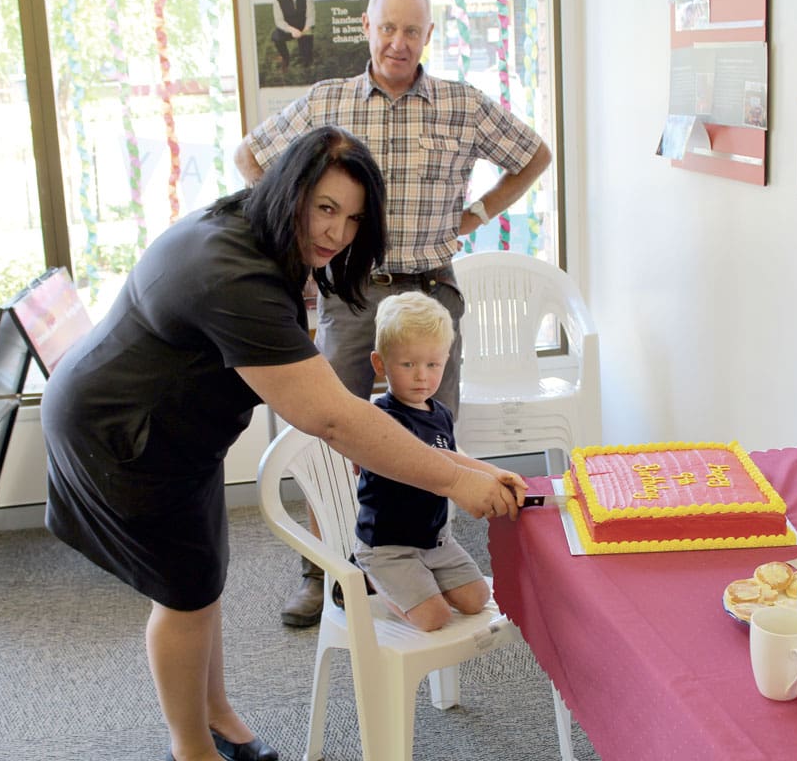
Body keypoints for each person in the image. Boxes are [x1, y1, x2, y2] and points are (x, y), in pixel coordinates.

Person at [41, 126, 524, 761]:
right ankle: (192, 750)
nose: (336, 233)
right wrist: (459, 481)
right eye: (325, 208)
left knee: (204, 580)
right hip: (122, 434)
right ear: (290, 190)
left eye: (353, 218)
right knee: (184, 596)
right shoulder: (232, 273)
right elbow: (332, 419)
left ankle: (217, 717)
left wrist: (465, 467)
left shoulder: (256, 228)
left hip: (175, 432)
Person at [235, 0, 552, 628]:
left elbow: (534, 155)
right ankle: (321, 571)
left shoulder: (462, 105)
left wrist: (480, 211)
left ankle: (425, 555)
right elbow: (250, 156)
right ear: (368, 29)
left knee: (428, 436)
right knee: (327, 433)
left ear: (429, 36)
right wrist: (301, 224)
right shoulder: (329, 102)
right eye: (387, 28)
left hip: (432, 294)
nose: (398, 43)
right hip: (356, 294)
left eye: (412, 30)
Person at [355, 292, 519, 631]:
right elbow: (433, 460)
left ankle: (418, 581)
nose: (421, 377)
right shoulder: (379, 419)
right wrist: (487, 474)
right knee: (434, 620)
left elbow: (454, 455)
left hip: (435, 540)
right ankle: (369, 578)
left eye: (433, 365)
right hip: (389, 545)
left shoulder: (440, 412)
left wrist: (496, 472)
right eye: (408, 364)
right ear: (380, 364)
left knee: (476, 601)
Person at [270, 0, 314, 73]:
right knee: (275, 36)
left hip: (304, 29)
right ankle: (285, 58)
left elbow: (311, 16)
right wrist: (292, 30)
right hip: (289, 30)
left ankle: (306, 59)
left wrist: (304, 31)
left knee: (307, 61)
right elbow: (279, 21)